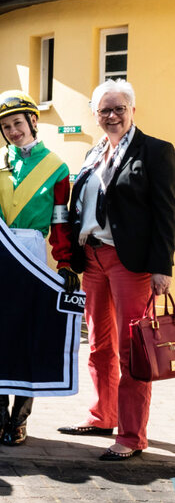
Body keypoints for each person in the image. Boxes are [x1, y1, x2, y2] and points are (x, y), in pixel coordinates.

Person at [60, 79, 175, 461]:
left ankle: (131, 435)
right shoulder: (93, 154)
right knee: (98, 346)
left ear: (132, 111)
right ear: (95, 115)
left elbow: (165, 214)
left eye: (118, 108)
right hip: (92, 259)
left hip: (131, 264)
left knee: (132, 350)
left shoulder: (156, 152)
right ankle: (102, 415)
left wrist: (162, 266)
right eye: (104, 110)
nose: (112, 116)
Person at [0, 90, 75, 446]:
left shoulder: (57, 167)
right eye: (5, 126)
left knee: (26, 337)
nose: (13, 131)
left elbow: (61, 220)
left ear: (33, 121)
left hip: (33, 249)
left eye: (17, 123)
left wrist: (64, 261)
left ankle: (19, 420)